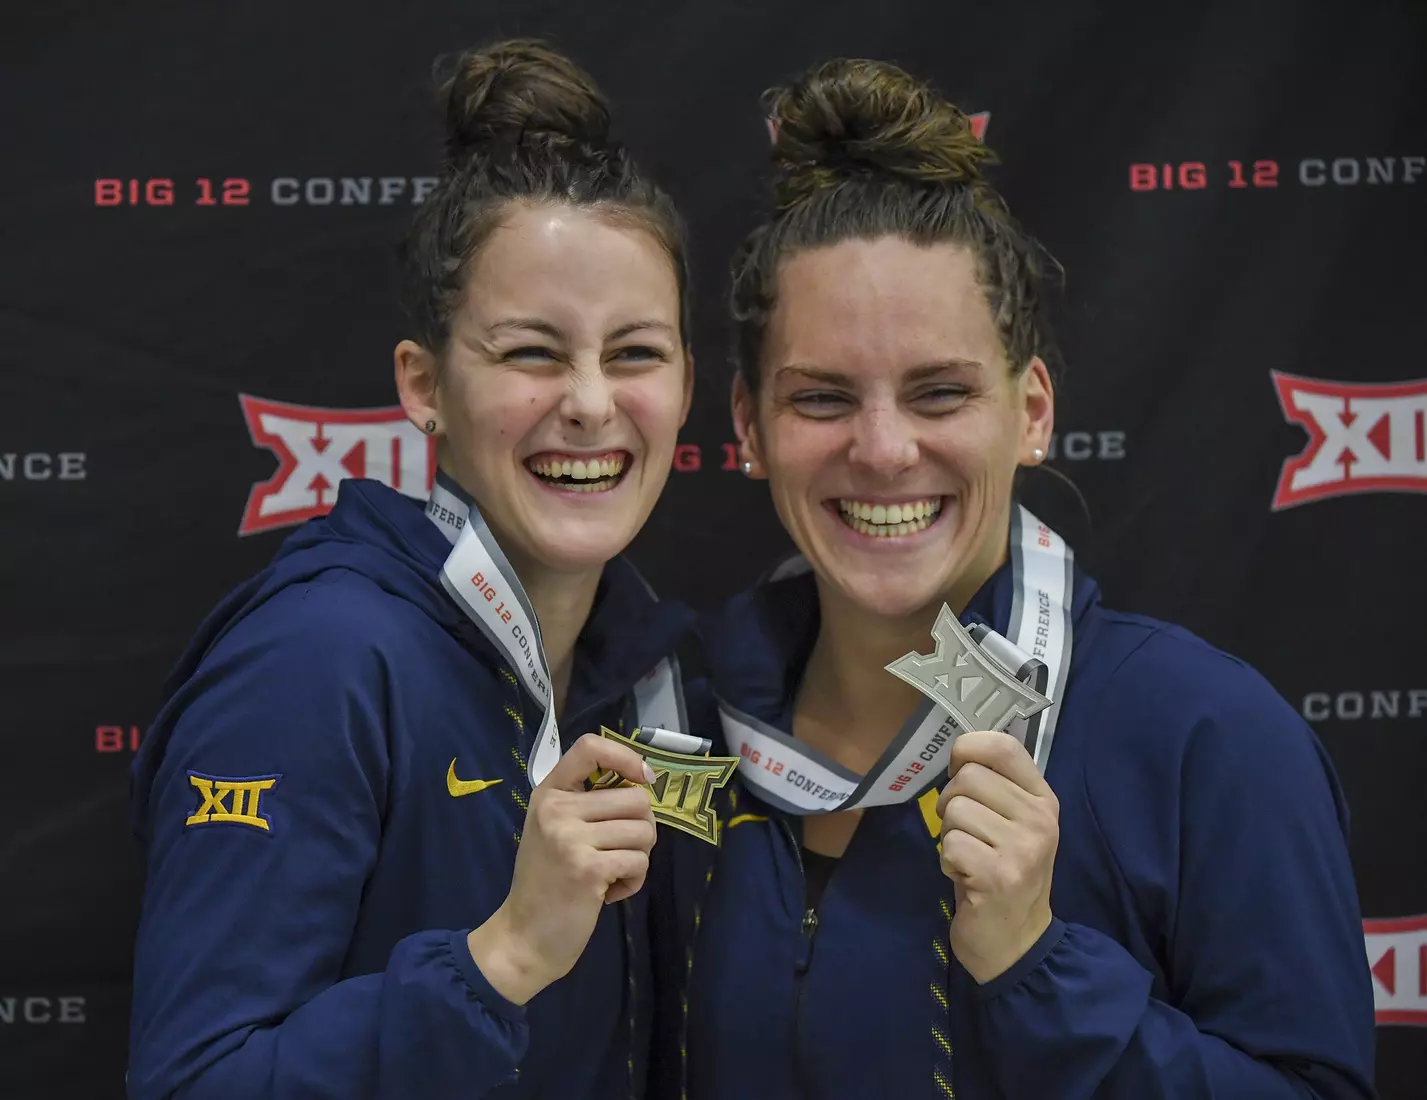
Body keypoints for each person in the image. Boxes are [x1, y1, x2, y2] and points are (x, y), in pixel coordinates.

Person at [667, 58, 1377, 1100]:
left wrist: (1038, 965)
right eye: (820, 398)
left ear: (1031, 409)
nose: (882, 448)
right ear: (747, 429)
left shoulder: (1206, 737)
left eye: (939, 391)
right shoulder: (671, 721)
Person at [128, 39, 700, 1100]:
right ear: (423, 383)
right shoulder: (316, 660)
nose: (588, 401)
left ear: (686, 381)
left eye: (633, 352)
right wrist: (502, 958)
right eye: (531, 351)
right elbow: (192, 1082)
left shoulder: (651, 664)